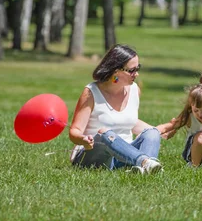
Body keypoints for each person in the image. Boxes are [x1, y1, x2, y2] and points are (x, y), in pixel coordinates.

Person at [69, 44, 166, 174]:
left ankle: (142, 170)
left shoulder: (134, 90)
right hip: (93, 155)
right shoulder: (91, 92)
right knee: (105, 133)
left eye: (138, 68)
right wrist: (83, 140)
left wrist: (158, 131)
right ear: (116, 71)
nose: (136, 74)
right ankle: (145, 163)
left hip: (123, 157)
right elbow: (74, 131)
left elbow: (129, 122)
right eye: (132, 70)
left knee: (152, 133)